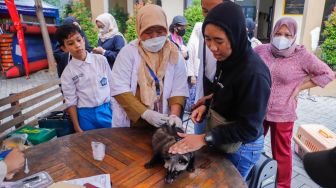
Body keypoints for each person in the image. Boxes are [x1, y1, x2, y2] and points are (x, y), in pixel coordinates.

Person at [169, 1, 272, 179]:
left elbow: (249, 129)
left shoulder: (254, 74)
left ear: (236, 35)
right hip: (224, 137)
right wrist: (207, 104)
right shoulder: (226, 57)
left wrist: (202, 138)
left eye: (219, 41)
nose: (213, 47)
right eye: (207, 39)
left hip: (242, 146)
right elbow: (226, 92)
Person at [254, 17, 335, 188]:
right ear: (272, 32)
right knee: (252, 145)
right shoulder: (261, 50)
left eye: (287, 34)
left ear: (294, 36)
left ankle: (283, 185)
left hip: (283, 113)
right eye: (278, 33)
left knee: (281, 153)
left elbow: (327, 74)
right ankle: (252, 174)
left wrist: (300, 87)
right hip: (258, 108)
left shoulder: (302, 56)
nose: (281, 37)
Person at [110, 4, 188, 128]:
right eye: (148, 32)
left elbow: (179, 88)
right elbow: (119, 88)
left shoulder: (174, 54)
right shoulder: (128, 53)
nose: (155, 37)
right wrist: (145, 113)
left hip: (164, 121)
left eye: (159, 31)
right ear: (139, 31)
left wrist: (174, 116)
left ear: (166, 29)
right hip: (134, 123)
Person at [55, 24, 113, 133]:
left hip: (106, 110)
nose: (77, 45)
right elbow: (71, 101)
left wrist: (115, 111)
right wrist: (77, 127)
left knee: (113, 141)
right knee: (89, 146)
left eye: (78, 40)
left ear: (83, 40)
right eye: (70, 43)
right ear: (64, 48)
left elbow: (112, 85)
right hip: (85, 115)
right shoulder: (67, 73)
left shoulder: (101, 60)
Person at [185, 22, 202, 112]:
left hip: (199, 72)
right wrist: (192, 75)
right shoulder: (192, 43)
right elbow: (189, 60)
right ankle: (191, 109)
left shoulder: (201, 41)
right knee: (192, 93)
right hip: (194, 74)